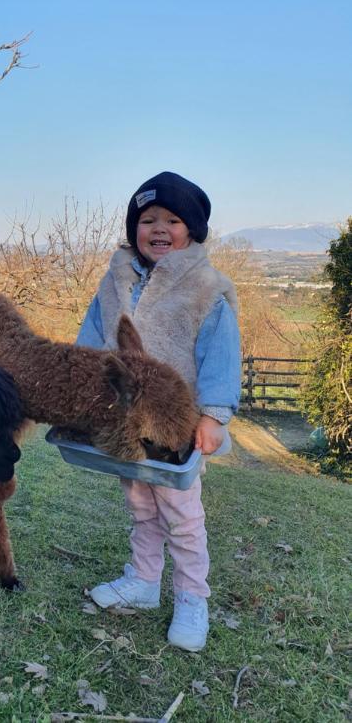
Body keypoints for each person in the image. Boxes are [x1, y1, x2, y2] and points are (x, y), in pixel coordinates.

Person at [76, 171, 241, 652]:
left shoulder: (206, 289)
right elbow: (91, 341)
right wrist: (82, 396)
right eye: (148, 219)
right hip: (125, 424)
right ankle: (144, 581)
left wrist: (212, 415)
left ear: (192, 229)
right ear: (134, 228)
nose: (160, 228)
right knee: (140, 505)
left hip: (176, 427)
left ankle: (192, 597)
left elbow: (222, 356)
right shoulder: (114, 283)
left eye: (173, 219)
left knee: (182, 515)